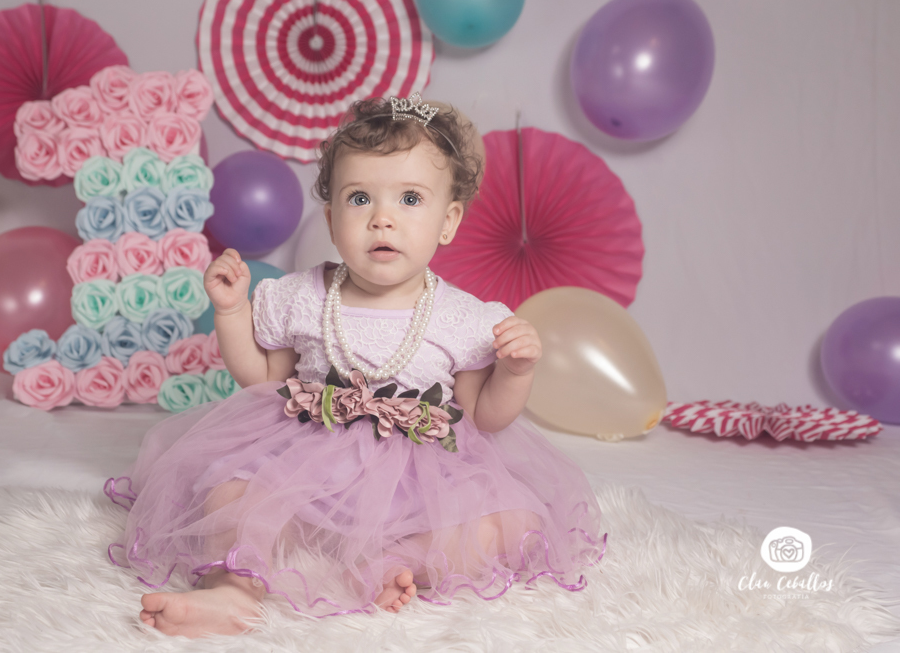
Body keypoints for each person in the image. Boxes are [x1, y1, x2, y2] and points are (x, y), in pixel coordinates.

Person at [104, 94, 606, 638]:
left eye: (410, 199)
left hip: (419, 477)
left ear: (448, 221)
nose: (382, 218)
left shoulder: (463, 318)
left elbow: (483, 416)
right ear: (331, 218)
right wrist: (230, 312)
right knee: (229, 492)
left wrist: (515, 372)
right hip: (306, 463)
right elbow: (264, 381)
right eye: (360, 198)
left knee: (511, 522)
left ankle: (399, 563)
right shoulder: (302, 296)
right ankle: (234, 589)